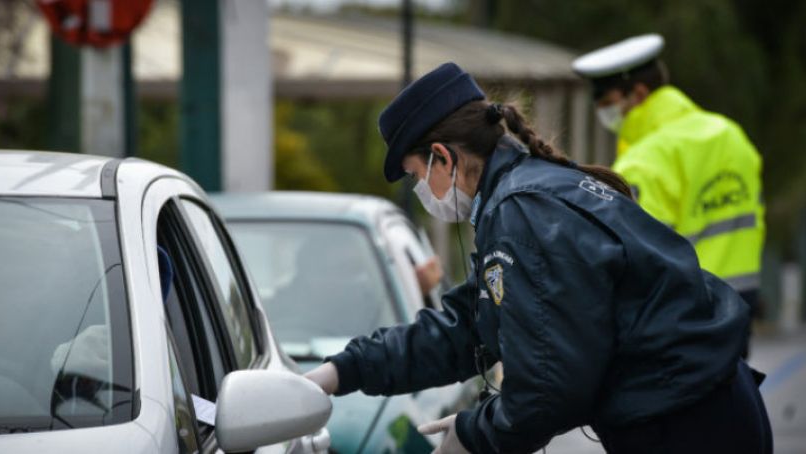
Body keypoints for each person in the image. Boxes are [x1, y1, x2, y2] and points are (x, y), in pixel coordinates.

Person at [304, 62, 772, 453]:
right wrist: (342, 370)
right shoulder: (527, 194)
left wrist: (472, 435)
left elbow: (550, 386)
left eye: (415, 176)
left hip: (688, 424)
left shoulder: (522, 213)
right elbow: (465, 328)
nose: (422, 191)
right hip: (700, 408)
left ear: (442, 157)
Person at [572, 35, 766, 339]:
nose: (604, 114)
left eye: (608, 103)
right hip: (740, 302)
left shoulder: (643, 160)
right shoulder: (730, 134)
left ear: (638, 93)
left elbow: (640, 257)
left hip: (686, 315)